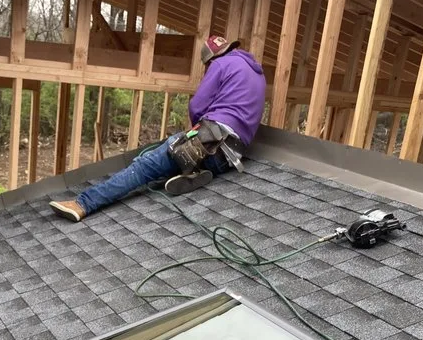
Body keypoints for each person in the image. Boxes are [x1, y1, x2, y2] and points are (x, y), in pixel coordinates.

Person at [49, 35, 266, 222]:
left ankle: (83, 204)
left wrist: (195, 128)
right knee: (171, 154)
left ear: (212, 59)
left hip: (209, 139)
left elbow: (197, 105)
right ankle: (192, 168)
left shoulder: (220, 64)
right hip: (228, 157)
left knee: (144, 166)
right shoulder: (257, 73)